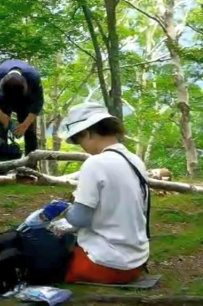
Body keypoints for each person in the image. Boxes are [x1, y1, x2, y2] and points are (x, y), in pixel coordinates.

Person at [58, 103, 150, 284]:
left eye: (78, 139)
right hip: (136, 263)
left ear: (87, 132)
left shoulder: (95, 164)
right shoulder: (134, 160)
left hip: (105, 265)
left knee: (40, 255)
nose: (81, 145)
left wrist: (64, 209)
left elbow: (80, 219)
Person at [0, 59, 44, 161]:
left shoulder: (33, 78)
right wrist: (1, 114)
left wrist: (24, 125)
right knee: (0, 131)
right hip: (2, 101)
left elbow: (37, 104)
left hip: (25, 101)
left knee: (30, 133)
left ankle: (31, 165)